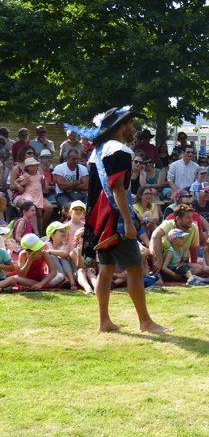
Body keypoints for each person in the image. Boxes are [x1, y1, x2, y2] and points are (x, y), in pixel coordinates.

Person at [75, 106, 168, 332]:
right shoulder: (122, 151)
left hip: (100, 219)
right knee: (135, 267)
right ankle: (145, 322)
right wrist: (128, 221)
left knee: (106, 270)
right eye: (130, 123)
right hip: (116, 219)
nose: (133, 127)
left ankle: (104, 321)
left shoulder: (97, 151)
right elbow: (118, 188)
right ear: (122, 126)